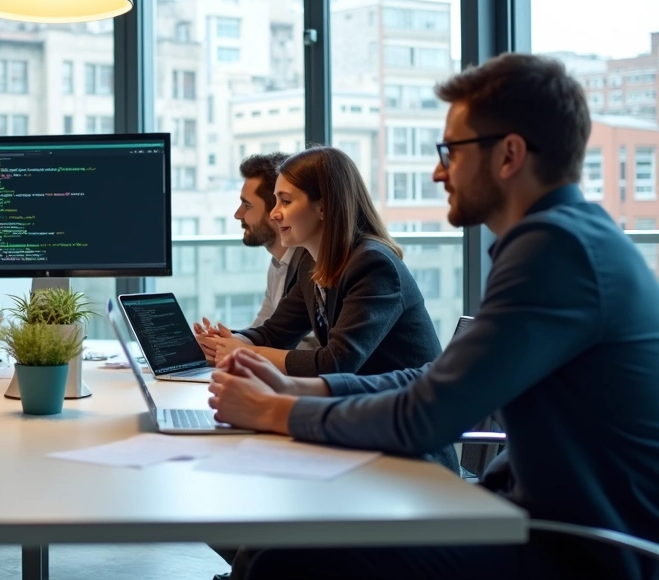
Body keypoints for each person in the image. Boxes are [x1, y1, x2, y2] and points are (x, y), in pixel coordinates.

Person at [210, 53, 659, 580]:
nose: (437, 170)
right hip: (527, 518)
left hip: (577, 551)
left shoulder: (556, 253)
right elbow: (432, 378)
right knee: (279, 550)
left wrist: (272, 412)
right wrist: (300, 392)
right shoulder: (564, 241)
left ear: (510, 155)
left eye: (451, 151)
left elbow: (428, 416)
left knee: (288, 561)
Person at [198, 146, 442, 380]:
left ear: (324, 206)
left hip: (412, 413)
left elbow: (336, 363)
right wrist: (226, 343)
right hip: (364, 404)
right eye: (275, 201)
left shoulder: (374, 264)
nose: (274, 213)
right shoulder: (312, 264)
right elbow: (275, 333)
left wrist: (243, 352)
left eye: (285, 201)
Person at [193, 152, 317, 351]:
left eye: (247, 205)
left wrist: (237, 349)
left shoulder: (312, 266)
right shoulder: (279, 264)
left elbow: (321, 354)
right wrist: (223, 342)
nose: (237, 214)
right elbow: (267, 331)